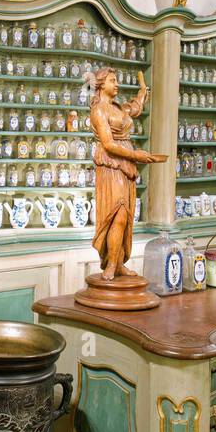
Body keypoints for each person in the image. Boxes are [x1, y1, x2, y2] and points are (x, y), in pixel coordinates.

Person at [89, 68, 161, 280]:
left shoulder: (118, 108)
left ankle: (118, 263)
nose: (117, 84)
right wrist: (136, 155)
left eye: (117, 80)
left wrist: (142, 91)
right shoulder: (98, 111)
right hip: (111, 165)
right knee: (117, 215)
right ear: (101, 85)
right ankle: (111, 264)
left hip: (126, 165)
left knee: (126, 217)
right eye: (113, 80)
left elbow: (136, 107)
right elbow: (109, 144)